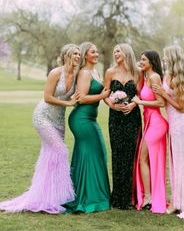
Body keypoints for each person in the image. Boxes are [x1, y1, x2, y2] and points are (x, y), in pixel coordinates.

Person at [0, 44, 81, 214]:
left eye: (79, 54)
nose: (78, 56)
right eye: (75, 53)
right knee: (61, 151)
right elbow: (47, 97)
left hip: (59, 120)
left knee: (49, 156)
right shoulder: (55, 73)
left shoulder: (76, 75)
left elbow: (78, 93)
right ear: (66, 55)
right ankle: (55, 196)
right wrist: (68, 102)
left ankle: (49, 197)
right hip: (42, 116)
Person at [62, 42, 111, 214]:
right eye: (93, 52)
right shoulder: (83, 73)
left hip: (91, 119)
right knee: (89, 154)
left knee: (97, 153)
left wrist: (112, 100)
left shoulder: (96, 72)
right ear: (85, 55)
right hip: (81, 119)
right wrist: (102, 95)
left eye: (97, 51)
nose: (96, 54)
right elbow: (81, 98)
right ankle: (86, 197)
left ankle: (92, 193)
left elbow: (102, 95)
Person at [152, 45, 184, 219]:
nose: (163, 58)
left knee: (181, 160)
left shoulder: (177, 79)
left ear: (172, 58)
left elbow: (181, 107)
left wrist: (163, 93)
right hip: (174, 121)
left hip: (181, 121)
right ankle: (177, 201)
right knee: (175, 161)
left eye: (165, 56)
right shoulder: (168, 75)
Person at [104, 43, 142, 209]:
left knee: (130, 157)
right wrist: (112, 105)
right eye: (114, 51)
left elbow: (141, 95)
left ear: (126, 52)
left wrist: (133, 105)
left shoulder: (138, 72)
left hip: (132, 118)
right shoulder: (110, 72)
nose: (115, 53)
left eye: (118, 50)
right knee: (117, 156)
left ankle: (128, 198)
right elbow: (105, 95)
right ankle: (117, 197)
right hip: (115, 119)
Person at [132, 50, 168, 214]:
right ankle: (149, 195)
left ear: (152, 62)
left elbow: (161, 102)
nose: (141, 61)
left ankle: (149, 197)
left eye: (144, 59)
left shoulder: (154, 77)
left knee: (142, 159)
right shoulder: (146, 77)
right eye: (140, 59)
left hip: (156, 123)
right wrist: (140, 71)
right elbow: (139, 88)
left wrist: (140, 101)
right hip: (149, 122)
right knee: (145, 159)